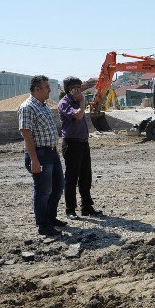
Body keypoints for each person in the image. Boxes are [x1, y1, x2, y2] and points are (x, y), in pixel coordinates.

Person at [18, 75, 66, 237]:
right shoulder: (27, 107)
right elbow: (27, 135)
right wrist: (34, 160)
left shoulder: (43, 106)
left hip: (51, 152)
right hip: (39, 154)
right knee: (43, 190)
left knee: (58, 187)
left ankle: (51, 218)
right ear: (37, 89)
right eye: (47, 87)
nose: (50, 90)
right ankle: (43, 225)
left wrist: (55, 151)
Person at [58, 76, 102, 220]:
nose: (80, 90)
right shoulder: (65, 103)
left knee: (85, 176)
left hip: (83, 143)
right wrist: (82, 101)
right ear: (70, 90)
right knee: (71, 178)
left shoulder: (75, 100)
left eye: (80, 87)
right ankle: (70, 209)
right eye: (77, 88)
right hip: (72, 144)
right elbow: (78, 115)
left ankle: (87, 207)